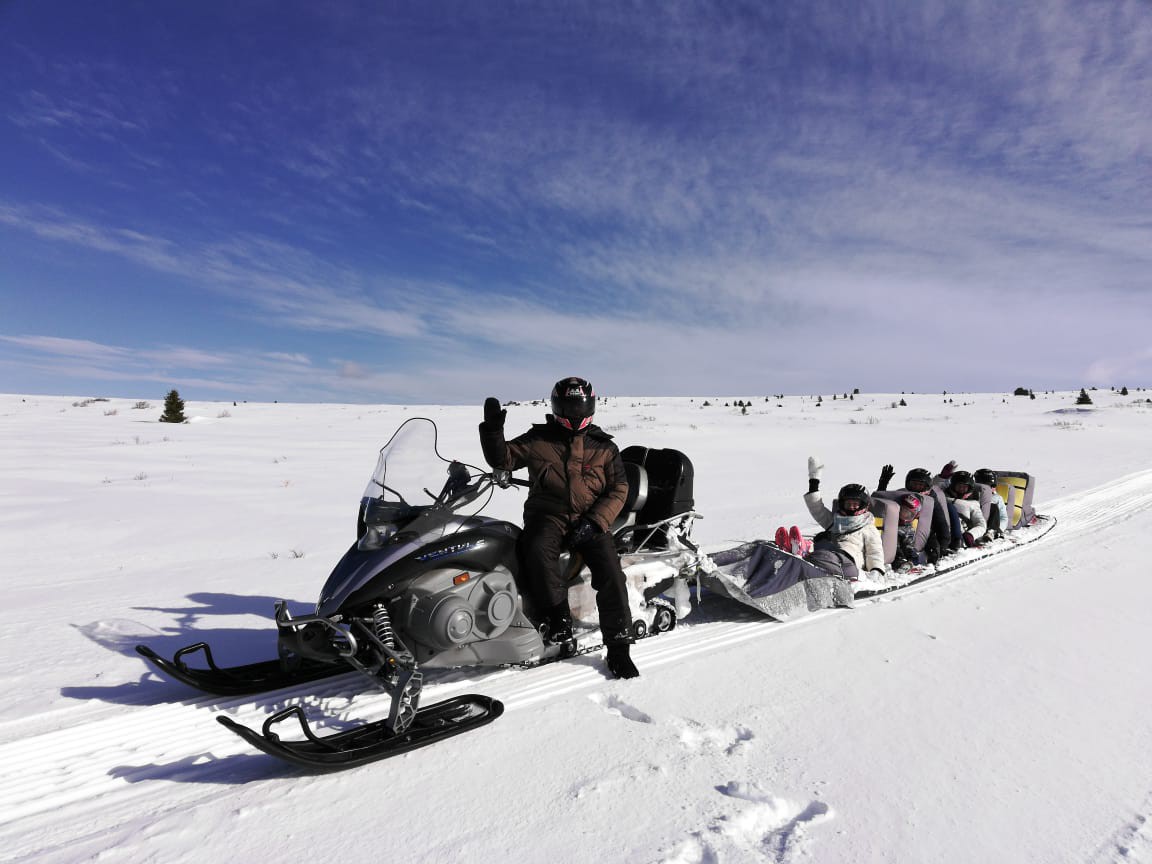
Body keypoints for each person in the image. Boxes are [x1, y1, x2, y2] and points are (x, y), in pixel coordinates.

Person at [478, 376, 639, 679]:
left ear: (590, 406)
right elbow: (503, 459)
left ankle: (619, 648)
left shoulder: (604, 447)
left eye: (579, 406)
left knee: (611, 573)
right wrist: (493, 431)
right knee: (535, 550)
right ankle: (557, 619)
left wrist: (594, 523)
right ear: (556, 407)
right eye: (568, 406)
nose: (574, 413)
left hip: (591, 519)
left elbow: (619, 489)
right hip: (547, 516)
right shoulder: (539, 440)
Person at [802, 457, 886, 581]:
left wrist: (876, 571)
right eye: (848, 503)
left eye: (855, 504)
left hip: (849, 563)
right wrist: (814, 480)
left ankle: (805, 556)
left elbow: (875, 552)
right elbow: (817, 509)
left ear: (864, 505)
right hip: (827, 556)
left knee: (823, 549)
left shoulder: (868, 527)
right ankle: (800, 556)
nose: (851, 507)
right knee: (822, 540)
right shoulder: (835, 521)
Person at [877, 464, 951, 561]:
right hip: (901, 527)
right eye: (914, 484)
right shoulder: (902, 494)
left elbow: (941, 522)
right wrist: (883, 484)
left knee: (933, 549)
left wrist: (943, 545)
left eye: (920, 485)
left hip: (926, 531)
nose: (916, 488)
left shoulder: (931, 499)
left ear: (927, 486)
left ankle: (929, 560)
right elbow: (882, 502)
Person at [942, 469, 988, 546]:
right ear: (953, 486)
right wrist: (941, 477)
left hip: (960, 531)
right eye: (959, 486)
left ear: (969, 488)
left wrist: (971, 535)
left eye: (964, 487)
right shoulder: (942, 496)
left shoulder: (973, 504)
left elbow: (981, 524)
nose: (961, 489)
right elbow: (935, 485)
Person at [891, 493, 925, 570]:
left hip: (900, 549)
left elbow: (909, 544)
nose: (904, 515)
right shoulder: (889, 521)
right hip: (888, 548)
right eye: (903, 510)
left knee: (909, 547)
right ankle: (900, 561)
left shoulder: (908, 528)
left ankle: (909, 561)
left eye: (909, 514)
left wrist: (912, 557)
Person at [974, 468, 1008, 538]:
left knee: (993, 507)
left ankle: (991, 532)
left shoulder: (997, 498)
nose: (991, 488)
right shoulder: (971, 495)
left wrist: (999, 529)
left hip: (990, 525)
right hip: (975, 522)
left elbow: (1003, 517)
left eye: (993, 486)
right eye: (988, 486)